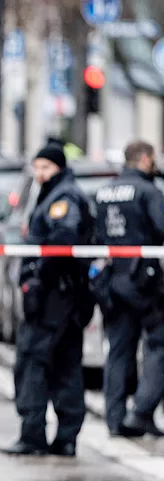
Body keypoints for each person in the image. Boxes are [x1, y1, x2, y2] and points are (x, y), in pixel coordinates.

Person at [0, 143, 95, 457]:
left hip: (55, 297)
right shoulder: (58, 194)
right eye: (37, 167)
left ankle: (33, 435)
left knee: (33, 361)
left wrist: (39, 277)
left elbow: (62, 239)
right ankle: (66, 438)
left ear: (59, 167)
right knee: (66, 364)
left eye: (46, 168)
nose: (40, 174)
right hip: (67, 296)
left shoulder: (63, 198)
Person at [93, 141, 164, 437]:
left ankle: (115, 418)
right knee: (159, 343)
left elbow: (96, 235)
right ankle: (142, 412)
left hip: (112, 280)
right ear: (146, 159)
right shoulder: (148, 192)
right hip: (144, 282)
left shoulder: (105, 191)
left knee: (119, 349)